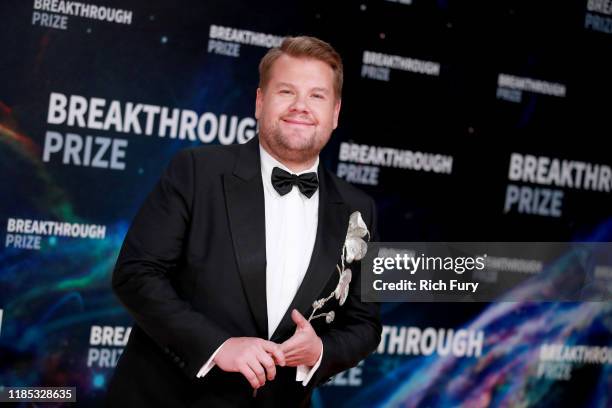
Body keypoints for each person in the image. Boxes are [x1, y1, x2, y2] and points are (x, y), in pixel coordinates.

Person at [107, 35, 381, 407]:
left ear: (334, 113)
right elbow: (136, 274)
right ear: (259, 101)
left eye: (317, 96)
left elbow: (365, 324)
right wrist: (216, 346)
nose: (301, 106)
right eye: (287, 92)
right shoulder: (196, 171)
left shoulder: (358, 207)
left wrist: (320, 350)